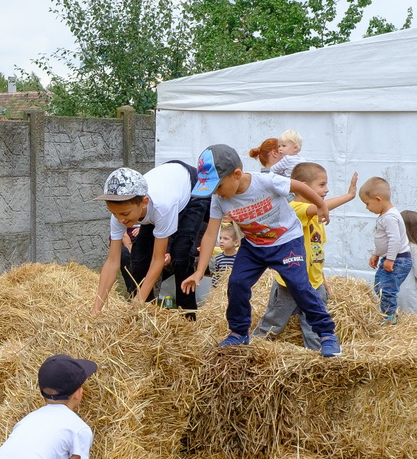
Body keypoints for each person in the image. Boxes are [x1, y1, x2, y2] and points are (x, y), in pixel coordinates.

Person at [180, 144, 339, 356]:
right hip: (254, 246)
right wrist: (200, 271)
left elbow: (299, 186)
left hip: (286, 241)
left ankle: (327, 334)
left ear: (237, 174)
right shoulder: (219, 200)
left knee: (299, 286)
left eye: (218, 186)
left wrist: (321, 205)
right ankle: (238, 333)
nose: (216, 193)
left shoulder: (265, 181)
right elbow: (210, 234)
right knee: (237, 283)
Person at [251, 163, 356, 347]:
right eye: (322, 185)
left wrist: (322, 279)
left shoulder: (317, 218)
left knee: (314, 324)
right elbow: (320, 208)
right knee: (274, 321)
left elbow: (316, 252)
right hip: (290, 283)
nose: (326, 189)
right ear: (303, 187)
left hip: (314, 283)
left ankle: (316, 355)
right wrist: (349, 196)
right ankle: (254, 345)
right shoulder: (295, 208)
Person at [93, 160, 210, 316]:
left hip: (192, 190)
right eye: (114, 213)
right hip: (161, 198)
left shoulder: (162, 206)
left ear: (143, 202)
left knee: (181, 253)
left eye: (125, 214)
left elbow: (158, 260)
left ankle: (187, 316)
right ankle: (146, 314)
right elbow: (113, 261)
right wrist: (96, 310)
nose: (120, 219)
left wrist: (138, 301)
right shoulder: (120, 214)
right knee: (139, 256)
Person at [361, 177, 409, 322]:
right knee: (379, 287)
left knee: (387, 289)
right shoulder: (386, 216)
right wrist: (377, 254)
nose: (367, 208)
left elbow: (395, 240)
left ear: (378, 199)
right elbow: (384, 240)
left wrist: (390, 259)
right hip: (391, 258)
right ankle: (388, 313)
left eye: (367, 203)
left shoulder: (390, 217)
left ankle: (390, 316)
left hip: (398, 259)